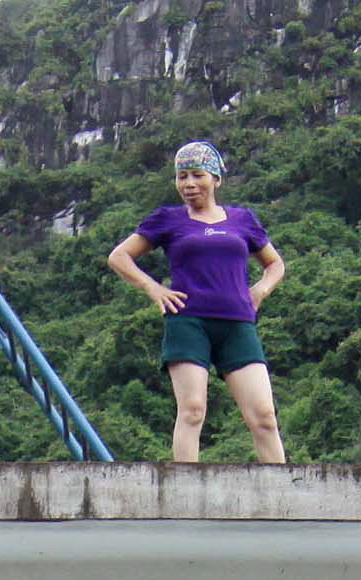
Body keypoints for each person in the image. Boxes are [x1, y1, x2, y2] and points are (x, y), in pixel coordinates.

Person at [105, 140, 288, 464]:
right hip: (189, 322)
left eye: (197, 175)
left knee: (264, 416)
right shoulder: (168, 219)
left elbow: (275, 264)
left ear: (216, 179)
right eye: (182, 177)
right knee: (192, 411)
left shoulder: (242, 220)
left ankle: (284, 498)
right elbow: (119, 257)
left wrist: (259, 290)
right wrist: (154, 289)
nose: (189, 184)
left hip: (237, 324)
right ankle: (185, 495)